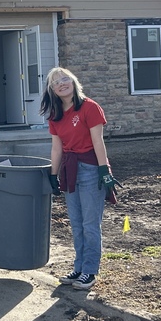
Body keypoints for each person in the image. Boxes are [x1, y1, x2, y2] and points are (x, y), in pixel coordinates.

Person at [42, 67, 120, 291]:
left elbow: (98, 142)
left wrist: (104, 171)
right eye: (56, 82)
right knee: (76, 224)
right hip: (70, 170)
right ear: (52, 90)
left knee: (90, 223)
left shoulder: (89, 108)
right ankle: (79, 266)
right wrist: (53, 175)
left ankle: (90, 270)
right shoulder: (55, 115)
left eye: (65, 79)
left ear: (74, 82)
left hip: (89, 169)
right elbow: (57, 148)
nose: (61, 84)